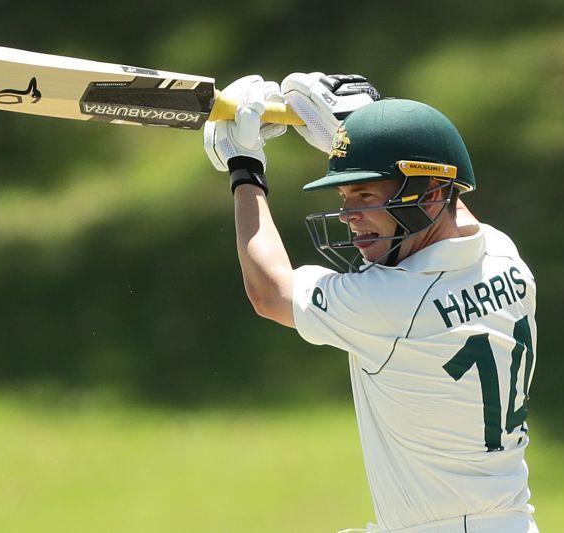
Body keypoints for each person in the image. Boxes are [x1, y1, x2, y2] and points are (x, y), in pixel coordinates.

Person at [203, 73, 539, 533]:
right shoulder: (506, 259)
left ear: (431, 194)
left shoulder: (391, 303)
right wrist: (362, 133)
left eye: (364, 195)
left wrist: (245, 167)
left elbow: (269, 291)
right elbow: (451, 198)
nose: (348, 216)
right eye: (344, 197)